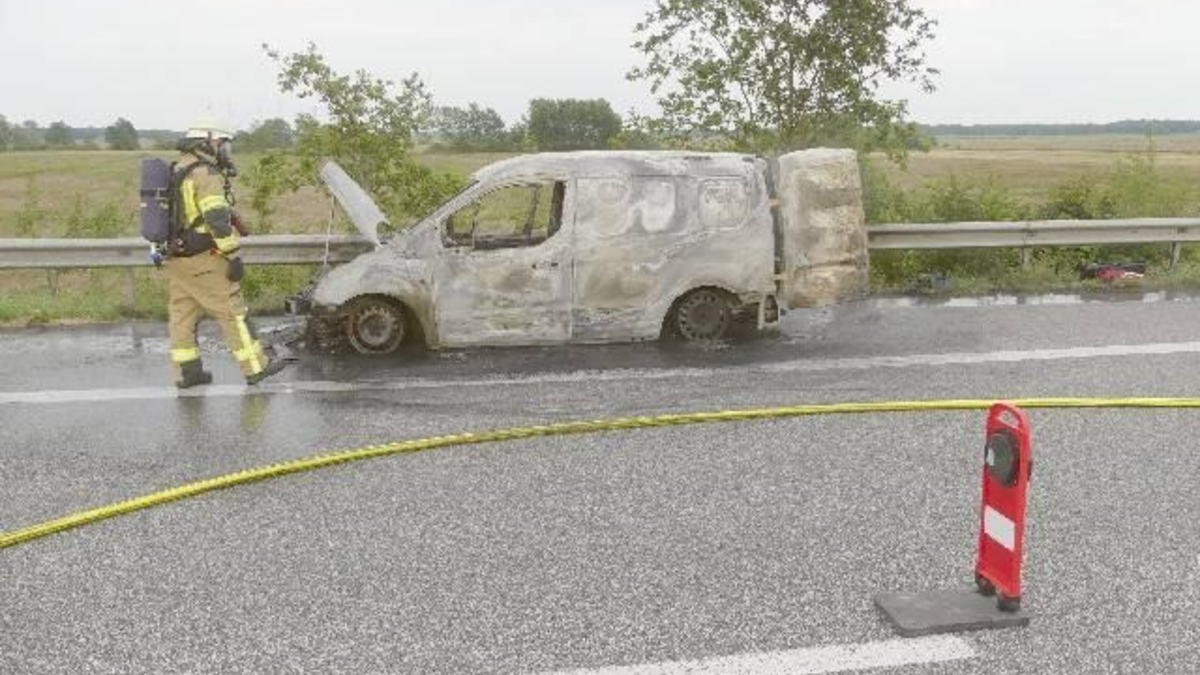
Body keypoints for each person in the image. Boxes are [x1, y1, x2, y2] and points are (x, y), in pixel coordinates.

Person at [164, 120, 290, 388]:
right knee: (232, 313)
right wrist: (233, 255)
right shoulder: (205, 173)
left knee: (182, 316)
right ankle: (256, 366)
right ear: (209, 141)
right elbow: (217, 220)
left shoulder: (178, 168)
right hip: (205, 260)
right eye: (223, 144)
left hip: (178, 258)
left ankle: (187, 373)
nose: (225, 150)